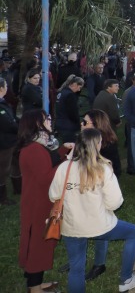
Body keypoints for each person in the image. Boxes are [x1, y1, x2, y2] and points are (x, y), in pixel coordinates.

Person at [49, 128, 135, 292]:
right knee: (134, 232)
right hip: (99, 225)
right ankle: (126, 279)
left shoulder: (64, 168)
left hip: (72, 227)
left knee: (76, 268)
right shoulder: (103, 168)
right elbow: (115, 203)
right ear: (97, 145)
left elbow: (53, 196)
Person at [17, 109, 73, 293]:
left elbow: (50, 161)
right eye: (45, 119)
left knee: (42, 243)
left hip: (41, 201)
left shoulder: (39, 145)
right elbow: (46, 177)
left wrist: (64, 150)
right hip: (38, 205)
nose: (50, 120)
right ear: (36, 124)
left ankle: (38, 283)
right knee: (38, 246)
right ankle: (34, 288)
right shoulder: (33, 149)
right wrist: (67, 163)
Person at [82, 109, 121, 177]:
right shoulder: (84, 141)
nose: (81, 124)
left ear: (96, 125)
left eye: (85, 122)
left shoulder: (105, 146)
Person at [0, 77, 19, 205]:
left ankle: (18, 188)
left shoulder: (3, 103)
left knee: (16, 163)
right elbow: (7, 123)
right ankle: (2, 198)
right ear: (1, 88)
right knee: (3, 169)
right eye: (6, 85)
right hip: (4, 142)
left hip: (11, 140)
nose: (7, 88)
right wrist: (19, 128)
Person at [55, 75, 85, 144]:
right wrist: (78, 124)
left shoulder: (61, 92)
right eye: (79, 87)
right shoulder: (70, 95)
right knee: (70, 146)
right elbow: (73, 113)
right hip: (68, 125)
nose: (79, 90)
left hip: (60, 123)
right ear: (74, 84)